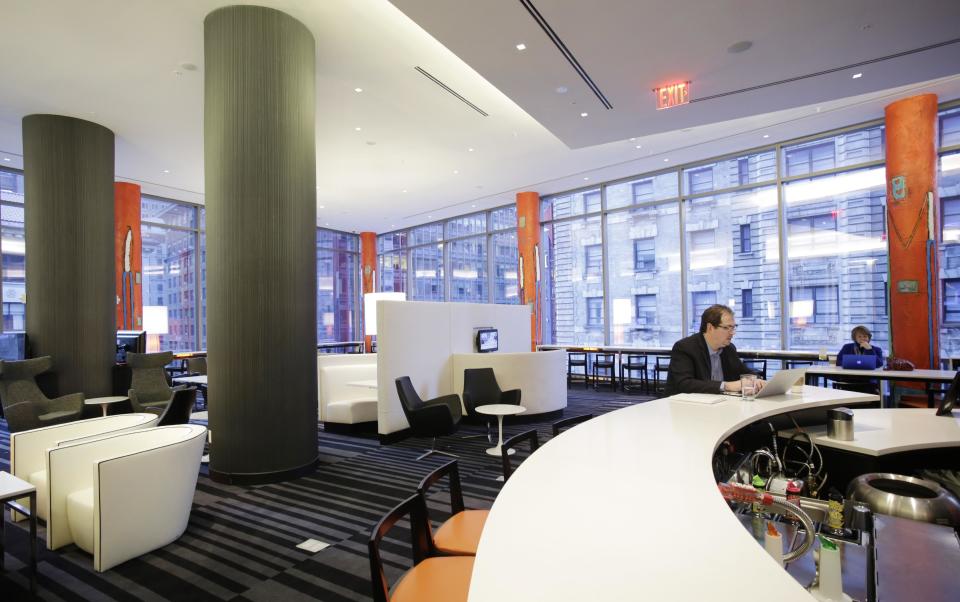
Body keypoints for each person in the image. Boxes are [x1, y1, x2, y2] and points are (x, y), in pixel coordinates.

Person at [664, 304, 765, 396]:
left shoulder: (728, 348)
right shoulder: (685, 347)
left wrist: (757, 380)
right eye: (727, 328)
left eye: (733, 328)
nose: (732, 333)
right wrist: (726, 386)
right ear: (710, 327)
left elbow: (744, 371)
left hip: (719, 405)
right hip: (684, 408)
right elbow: (685, 384)